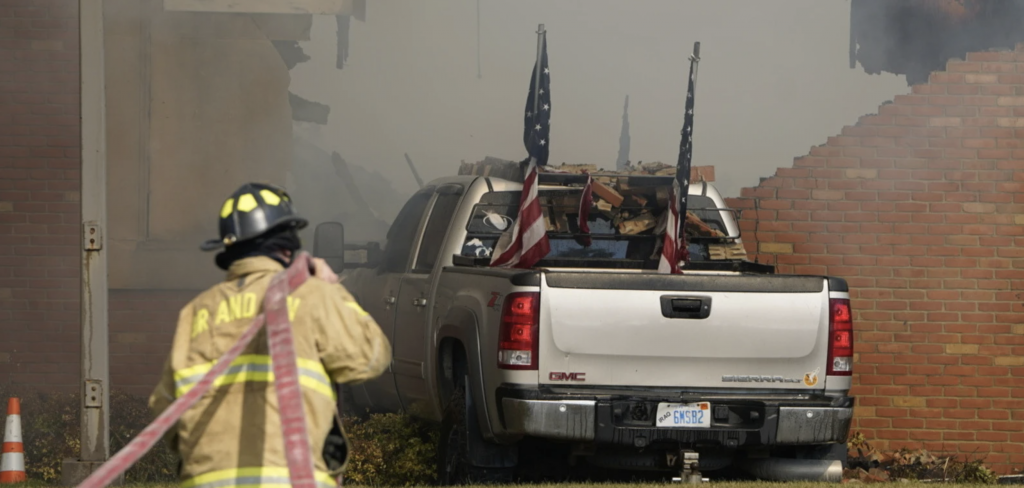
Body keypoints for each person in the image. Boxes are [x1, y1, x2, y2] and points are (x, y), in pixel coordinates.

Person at [148, 182, 391, 488]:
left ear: (230, 249)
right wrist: (333, 288)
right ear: (287, 245)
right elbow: (369, 357)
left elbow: (166, 408)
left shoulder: (196, 312)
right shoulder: (311, 294)